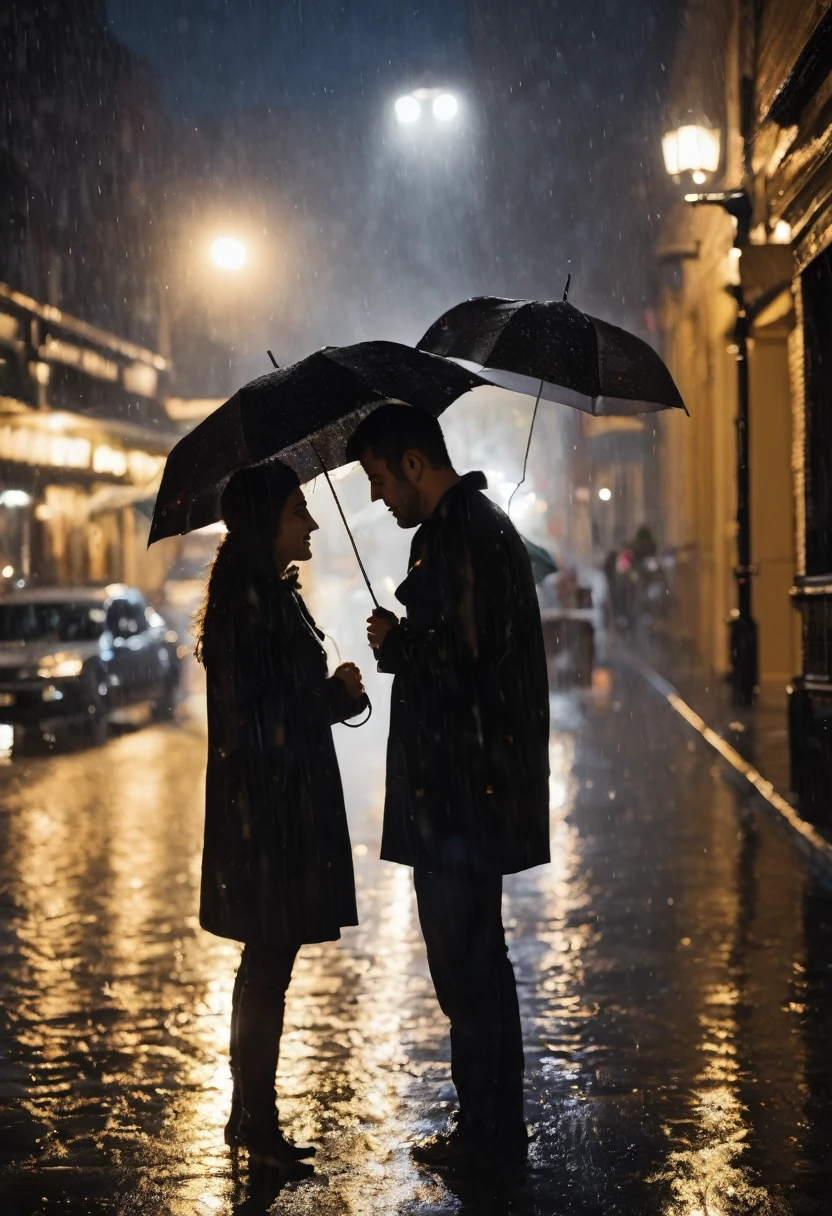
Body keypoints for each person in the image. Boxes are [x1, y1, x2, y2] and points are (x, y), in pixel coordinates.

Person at [344, 405, 550, 1175]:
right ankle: (493, 1124)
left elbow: (462, 664)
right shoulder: (466, 530)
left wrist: (400, 645)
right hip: (473, 788)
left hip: (463, 792)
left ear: (413, 463)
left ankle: (488, 1133)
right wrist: (411, 641)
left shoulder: (462, 535)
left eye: (376, 478)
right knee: (477, 962)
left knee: (465, 966)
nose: (376, 497)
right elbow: (466, 651)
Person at [194, 460, 367, 1173]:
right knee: (266, 967)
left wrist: (332, 695)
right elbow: (260, 718)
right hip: (267, 817)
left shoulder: (267, 595)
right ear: (268, 521)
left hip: (277, 811)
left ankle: (250, 1115)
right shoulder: (251, 607)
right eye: (300, 510)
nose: (313, 522)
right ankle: (255, 1123)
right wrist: (332, 697)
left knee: (268, 966)